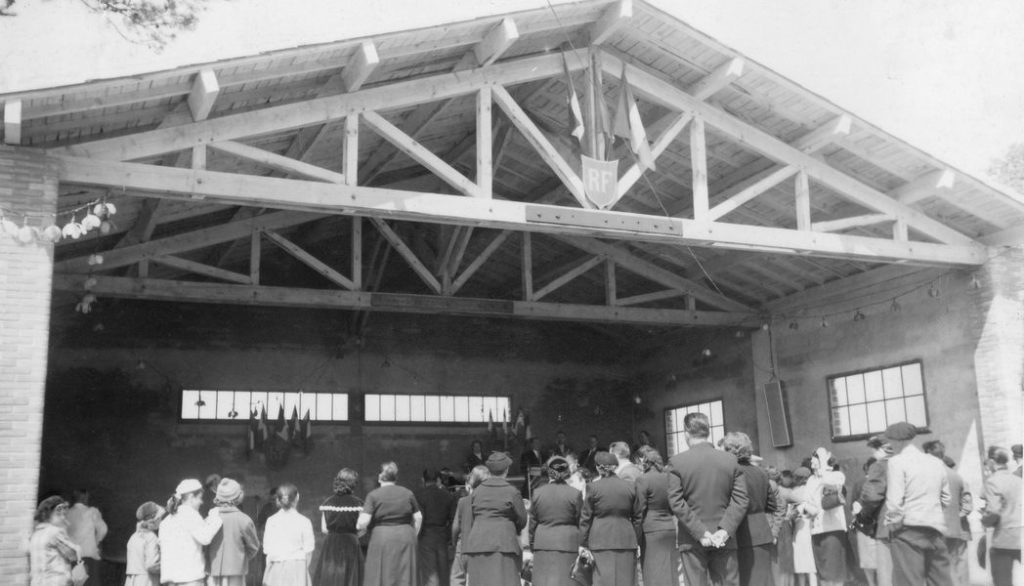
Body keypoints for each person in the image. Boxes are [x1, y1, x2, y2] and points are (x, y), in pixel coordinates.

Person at [666, 412, 749, 586]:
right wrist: (725, 530)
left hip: (691, 538)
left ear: (686, 433)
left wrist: (700, 531)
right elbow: (741, 500)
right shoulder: (730, 460)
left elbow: (676, 502)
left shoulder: (677, 462)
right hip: (725, 538)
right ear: (708, 432)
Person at [883, 422, 952, 586]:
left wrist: (894, 523)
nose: (890, 445)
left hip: (907, 531)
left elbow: (894, 502)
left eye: (890, 441)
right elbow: (946, 498)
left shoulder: (896, 462)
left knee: (908, 581)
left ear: (898, 441)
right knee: (940, 581)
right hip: (935, 531)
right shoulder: (936, 462)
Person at [463, 452, 528, 586]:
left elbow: (468, 522)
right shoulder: (512, 492)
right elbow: (522, 520)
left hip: (478, 546)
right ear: (507, 470)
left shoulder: (476, 493)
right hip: (505, 544)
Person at [722, 432, 777, 586]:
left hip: (741, 532)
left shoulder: (731, 472)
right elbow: (772, 505)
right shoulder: (761, 472)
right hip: (762, 531)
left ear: (730, 450)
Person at [579, 451, 641, 586]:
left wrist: (583, 543)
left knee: (603, 580)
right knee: (626, 580)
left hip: (600, 539)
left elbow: (586, 517)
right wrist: (637, 539)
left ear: (597, 467)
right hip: (626, 539)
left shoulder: (593, 488)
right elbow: (637, 517)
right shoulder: (630, 487)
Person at [358, 461, 422, 586]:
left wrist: (359, 523)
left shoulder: (373, 495)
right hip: (406, 537)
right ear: (395, 477)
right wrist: (414, 534)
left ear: (379, 477)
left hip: (382, 538)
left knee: (381, 574)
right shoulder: (408, 493)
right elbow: (418, 517)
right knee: (405, 576)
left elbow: (364, 521)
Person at [922, 441, 972, 586]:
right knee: (956, 567)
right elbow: (967, 504)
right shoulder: (955, 476)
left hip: (936, 531)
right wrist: (956, 517)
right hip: (955, 530)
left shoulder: (928, 476)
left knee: (940, 570)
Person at [529, 455, 583, 586]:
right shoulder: (575, 494)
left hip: (543, 542)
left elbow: (533, 522)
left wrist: (532, 544)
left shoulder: (538, 493)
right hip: (568, 542)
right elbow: (581, 521)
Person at [160, 478, 224, 586]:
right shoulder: (190, 514)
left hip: (170, 578)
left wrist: (207, 520)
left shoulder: (167, 520)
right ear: (190, 497)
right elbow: (205, 537)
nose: (201, 502)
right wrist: (216, 516)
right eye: (199, 498)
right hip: (189, 578)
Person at [634, 446, 678, 586]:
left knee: (652, 570)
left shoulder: (643, 479)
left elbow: (639, 510)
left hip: (650, 529)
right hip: (669, 527)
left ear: (647, 462)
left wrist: (636, 535)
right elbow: (673, 506)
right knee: (670, 570)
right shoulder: (668, 478)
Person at [313, 468, 364, 586]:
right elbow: (362, 527)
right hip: (351, 542)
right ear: (353, 484)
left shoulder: (328, 503)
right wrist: (353, 535)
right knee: (350, 576)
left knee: (330, 575)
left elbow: (324, 529)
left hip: (331, 543)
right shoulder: (358, 504)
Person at [805, 447, 848, 586]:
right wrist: (806, 508)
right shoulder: (811, 480)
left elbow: (834, 483)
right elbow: (805, 500)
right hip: (816, 529)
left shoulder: (836, 475)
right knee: (822, 571)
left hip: (832, 530)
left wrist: (823, 467)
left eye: (815, 457)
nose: (812, 460)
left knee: (834, 571)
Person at [207, 478, 260, 586]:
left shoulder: (210, 518)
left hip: (214, 571)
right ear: (237, 497)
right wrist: (240, 558)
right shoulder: (244, 520)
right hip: (236, 572)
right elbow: (253, 547)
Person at [982, 446, 1021, 586]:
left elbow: (994, 511)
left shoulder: (993, 481)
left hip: (1004, 537)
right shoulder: (1018, 480)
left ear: (992, 461)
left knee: (1002, 581)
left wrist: (984, 521)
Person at [262, 484, 315, 586]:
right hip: (298, 568)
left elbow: (267, 549)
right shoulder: (304, 521)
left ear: (278, 499)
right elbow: (309, 550)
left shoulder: (271, 521)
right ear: (297, 498)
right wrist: (302, 568)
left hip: (275, 566)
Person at [415, 468, 456, 586]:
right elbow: (453, 519)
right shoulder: (448, 495)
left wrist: (417, 536)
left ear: (423, 480)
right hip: (442, 534)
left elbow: (418, 518)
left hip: (425, 534)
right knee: (443, 568)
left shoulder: (419, 495)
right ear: (438, 480)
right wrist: (448, 536)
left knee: (428, 570)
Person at [29, 495, 81, 586]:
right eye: (60, 514)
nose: (63, 518)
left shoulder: (36, 534)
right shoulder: (55, 532)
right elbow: (73, 555)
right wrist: (77, 546)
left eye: (64, 515)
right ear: (51, 514)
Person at [450, 465, 489, 586]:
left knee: (457, 578)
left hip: (464, 545)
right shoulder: (489, 502)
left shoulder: (463, 502)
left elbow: (455, 527)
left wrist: (454, 543)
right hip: (483, 547)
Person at [66, 488, 107, 586]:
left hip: (72, 557)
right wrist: (96, 542)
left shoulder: (67, 513)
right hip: (89, 555)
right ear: (85, 497)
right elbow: (103, 529)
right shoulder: (92, 512)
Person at [851, 457, 880, 586]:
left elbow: (852, 505)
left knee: (867, 560)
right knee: (882, 559)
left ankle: (871, 584)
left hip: (864, 526)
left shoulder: (859, 483)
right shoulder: (882, 482)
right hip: (879, 526)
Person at [125, 501, 163, 586]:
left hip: (131, 581)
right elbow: (151, 565)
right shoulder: (151, 537)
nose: (161, 520)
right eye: (160, 517)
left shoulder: (133, 537)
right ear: (154, 519)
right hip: (146, 581)